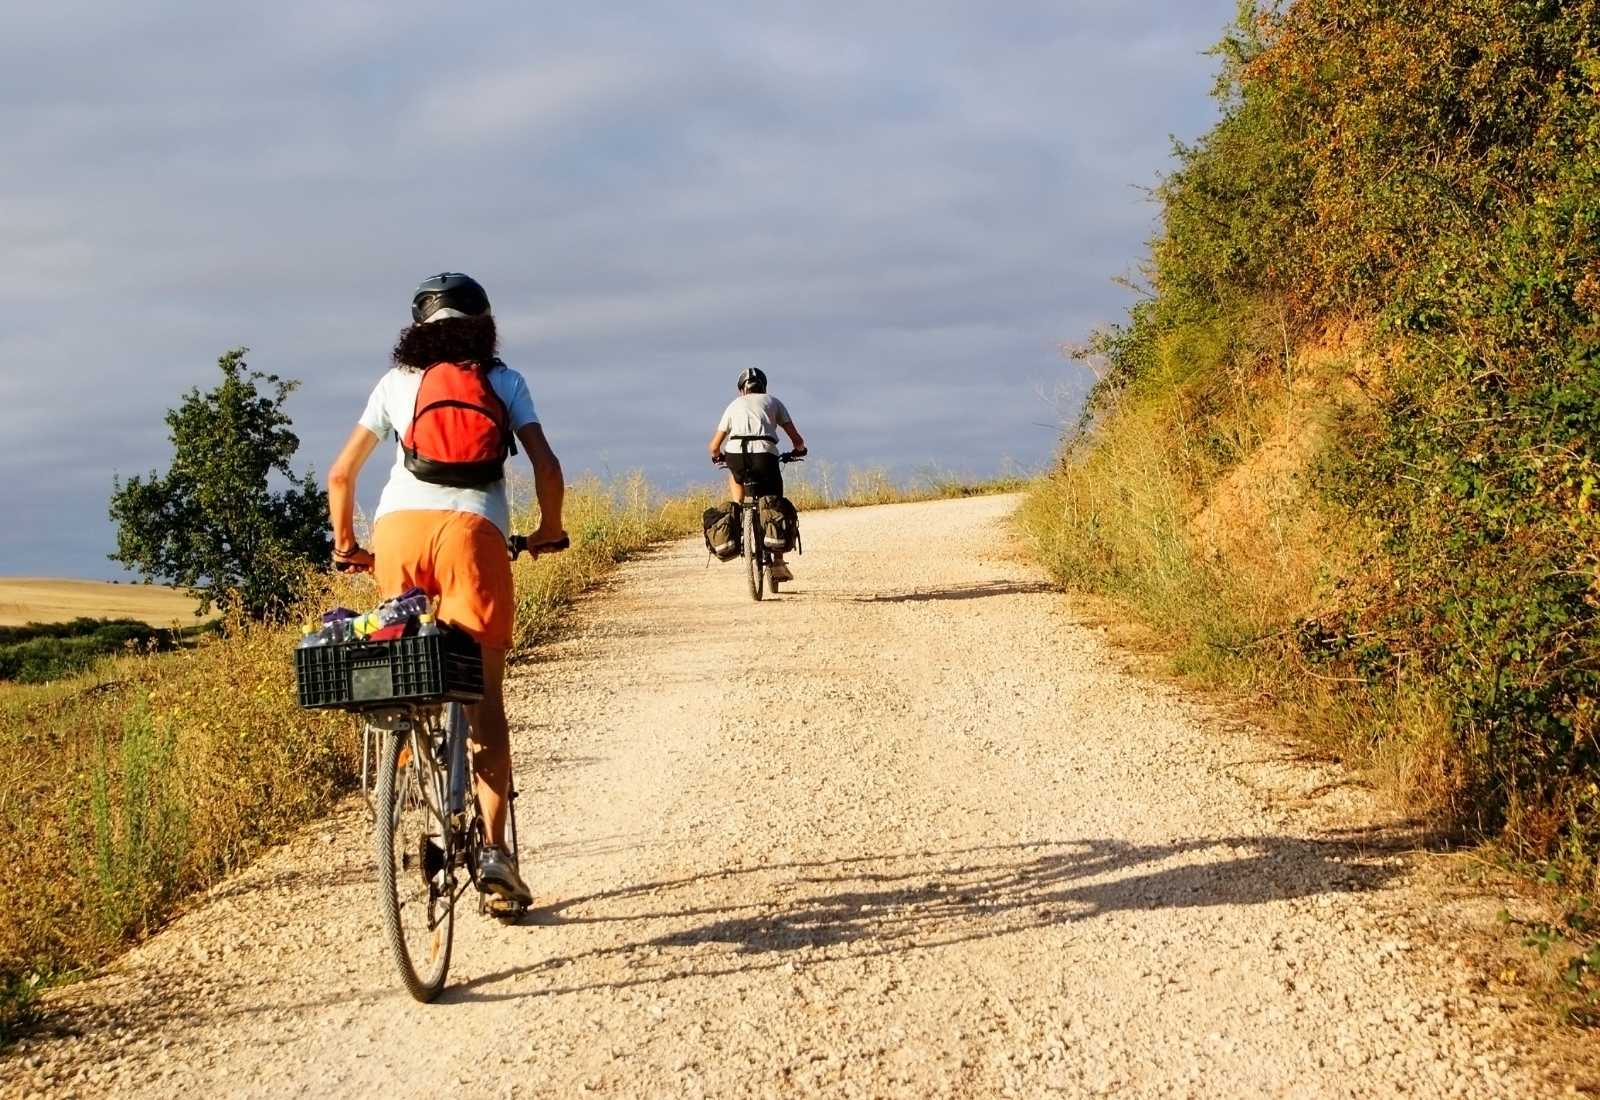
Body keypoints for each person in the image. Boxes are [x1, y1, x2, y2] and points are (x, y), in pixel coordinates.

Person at [326, 272, 565, 908]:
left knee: (401, 662)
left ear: (415, 328)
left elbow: (341, 475)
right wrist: (549, 530)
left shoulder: (394, 384)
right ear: (484, 322)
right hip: (474, 536)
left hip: (399, 533)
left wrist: (349, 546)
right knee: (484, 695)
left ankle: (406, 770)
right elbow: (545, 464)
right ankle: (493, 852)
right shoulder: (504, 381)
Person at [707, 367, 807, 582]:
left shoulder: (733, 405)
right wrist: (798, 450)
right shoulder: (774, 402)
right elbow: (797, 439)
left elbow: (714, 446)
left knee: (735, 475)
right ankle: (778, 563)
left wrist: (719, 457)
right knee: (774, 501)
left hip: (736, 454)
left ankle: (739, 511)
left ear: (741, 390)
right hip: (766, 454)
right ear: (764, 386)